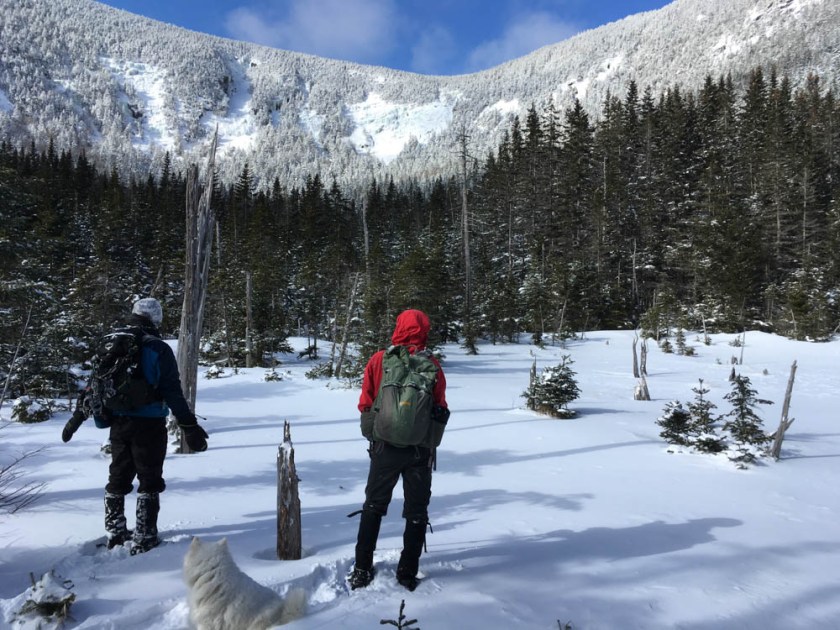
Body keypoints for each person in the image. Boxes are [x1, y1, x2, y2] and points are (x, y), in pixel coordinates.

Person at [62, 297, 209, 554]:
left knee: (118, 475)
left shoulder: (111, 342)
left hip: (118, 421)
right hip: (149, 423)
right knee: (149, 478)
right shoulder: (158, 348)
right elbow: (173, 391)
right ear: (156, 318)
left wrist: (78, 416)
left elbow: (94, 383)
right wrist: (189, 426)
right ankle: (145, 535)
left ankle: (115, 531)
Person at [348, 309, 449, 591]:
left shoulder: (380, 360)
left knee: (373, 506)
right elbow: (440, 405)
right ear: (424, 330)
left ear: (398, 328)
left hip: (384, 448)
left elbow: (366, 400)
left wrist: (375, 434)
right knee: (416, 510)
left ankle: (362, 568)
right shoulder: (432, 365)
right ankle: (407, 572)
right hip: (419, 451)